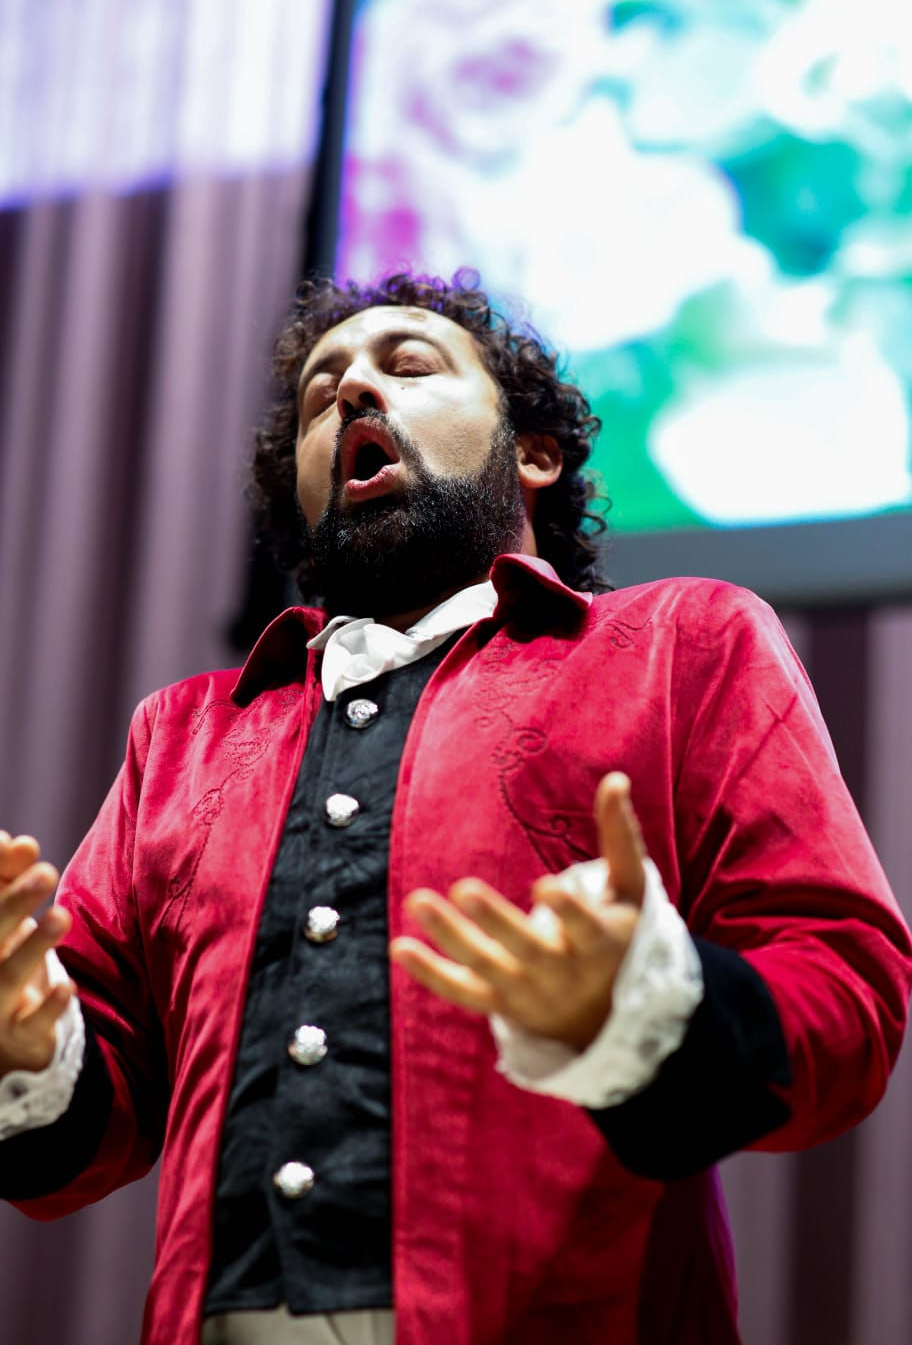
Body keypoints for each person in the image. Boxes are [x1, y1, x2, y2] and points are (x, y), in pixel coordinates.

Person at [0, 270, 909, 1345]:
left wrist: (645, 1005)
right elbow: (95, 1127)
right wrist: (25, 1041)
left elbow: (846, 986)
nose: (351, 394)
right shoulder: (178, 734)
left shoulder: (689, 642)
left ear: (534, 452)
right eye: (320, 390)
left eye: (409, 365)